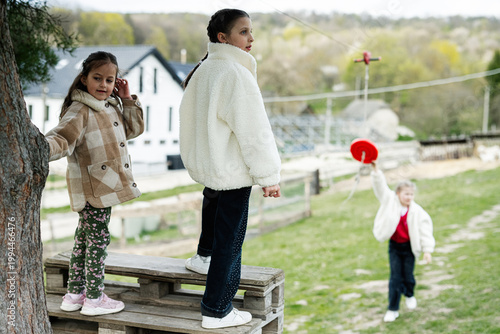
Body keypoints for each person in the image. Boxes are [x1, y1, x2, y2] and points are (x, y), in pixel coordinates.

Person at [179, 8, 281, 329]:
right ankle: (217, 309)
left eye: (251, 32)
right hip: (232, 171)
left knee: (213, 213)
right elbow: (255, 133)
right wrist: (268, 176)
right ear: (223, 37)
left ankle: (202, 258)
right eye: (244, 32)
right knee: (231, 239)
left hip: (213, 165)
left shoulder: (204, 69)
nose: (251, 38)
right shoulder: (235, 75)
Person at [45, 51, 144, 316]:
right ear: (84, 79)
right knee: (98, 241)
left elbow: (133, 130)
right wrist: (40, 148)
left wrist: (125, 99)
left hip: (105, 187)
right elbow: (61, 139)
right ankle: (95, 298)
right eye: (97, 78)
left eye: (109, 80)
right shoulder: (80, 110)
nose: (103, 85)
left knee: (84, 240)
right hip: (94, 188)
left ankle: (75, 294)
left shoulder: (110, 106)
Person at [370, 162, 435, 322]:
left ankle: (410, 294)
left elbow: (425, 231)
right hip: (395, 247)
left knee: (409, 277)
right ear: (398, 193)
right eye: (406, 194)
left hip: (410, 248)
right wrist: (376, 170)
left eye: (411, 194)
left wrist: (427, 250)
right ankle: (392, 309)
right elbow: (380, 187)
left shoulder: (417, 211)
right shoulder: (389, 202)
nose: (409, 197)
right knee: (395, 278)